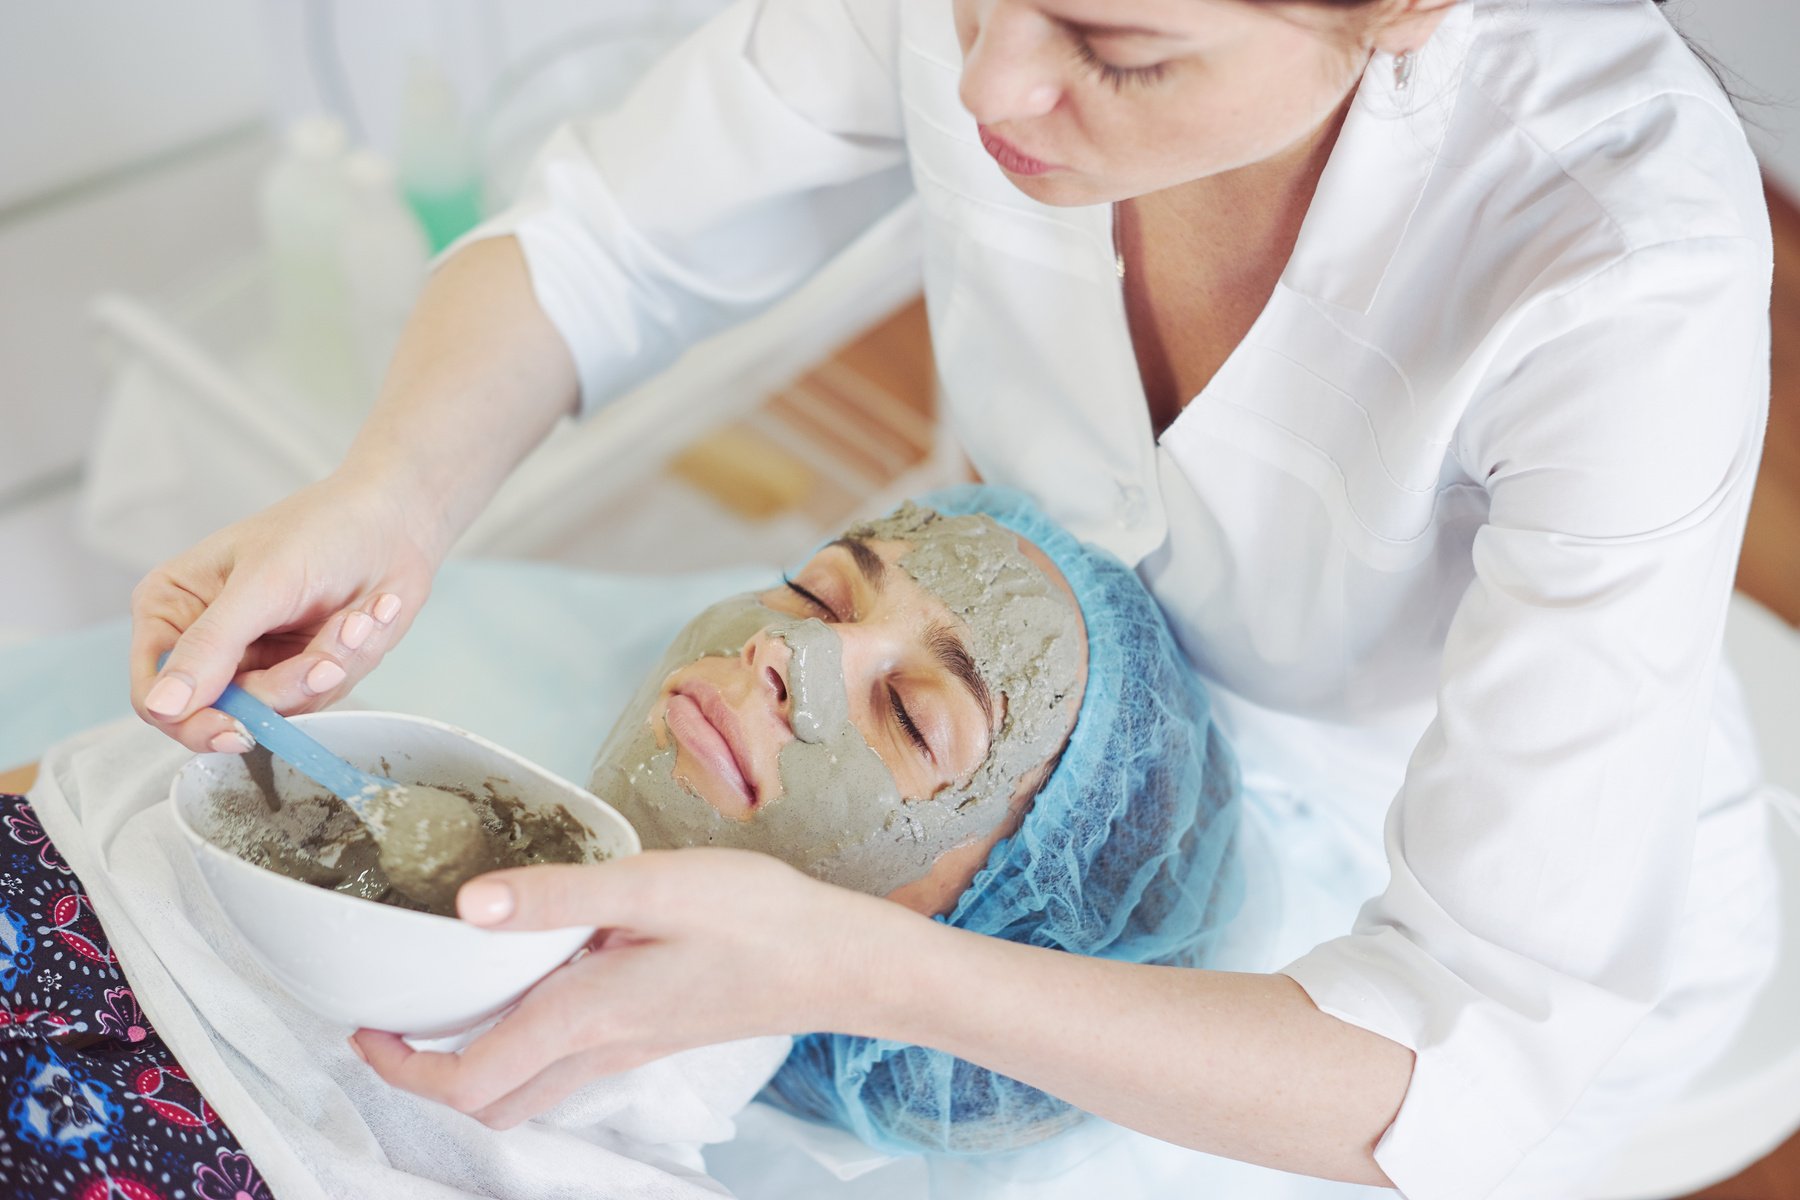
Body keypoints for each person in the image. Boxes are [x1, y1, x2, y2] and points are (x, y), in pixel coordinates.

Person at [124, 0, 1782, 1195]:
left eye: (1118, 48)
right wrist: (388, 492)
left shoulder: (1617, 274)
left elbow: (1460, 1062)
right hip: (1003, 627)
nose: (985, 72)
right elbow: (615, 237)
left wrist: (861, 966)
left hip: (1406, 928)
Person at [2, 489, 1241, 1197]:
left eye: (914, 716)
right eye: (817, 593)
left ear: (956, 922)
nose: (789, 651)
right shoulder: (212, 772)